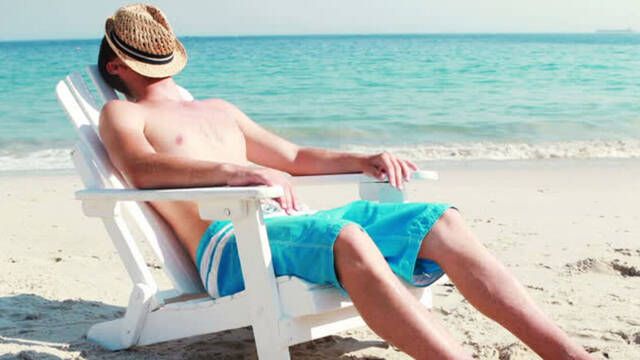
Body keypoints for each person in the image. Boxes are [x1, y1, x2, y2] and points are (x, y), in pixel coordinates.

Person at [97, 4, 592, 359]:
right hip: (232, 246)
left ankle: (569, 355)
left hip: (293, 225)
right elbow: (141, 168)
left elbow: (291, 155)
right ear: (117, 66)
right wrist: (236, 171)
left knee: (439, 221)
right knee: (348, 237)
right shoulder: (123, 113)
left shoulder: (218, 110)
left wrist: (361, 158)